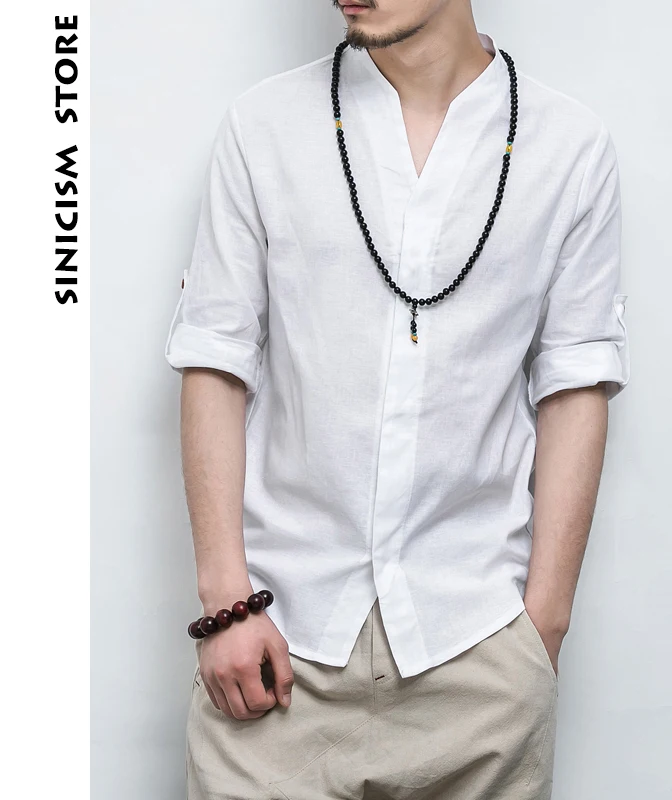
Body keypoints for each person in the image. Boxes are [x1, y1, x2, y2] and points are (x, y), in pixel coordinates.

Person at [164, 0, 630, 797]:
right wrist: (226, 604)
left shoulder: (570, 147)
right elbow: (215, 359)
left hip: (478, 655)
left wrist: (541, 632)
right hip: (274, 651)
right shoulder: (264, 127)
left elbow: (575, 384)